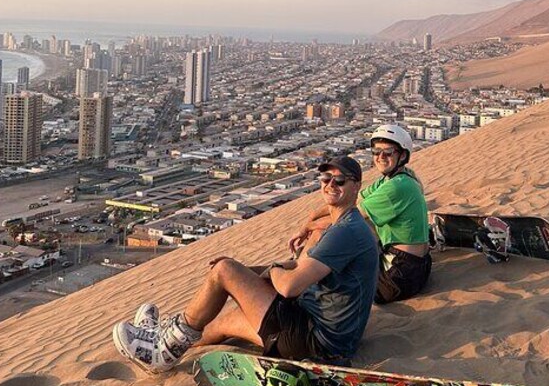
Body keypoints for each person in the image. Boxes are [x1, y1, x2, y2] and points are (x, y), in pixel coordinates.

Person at [112, 156, 379, 373]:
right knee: (222, 323)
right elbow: (297, 268)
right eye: (325, 178)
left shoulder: (346, 232)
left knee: (223, 271)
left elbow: (290, 286)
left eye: (340, 180)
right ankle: (166, 341)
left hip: (315, 341)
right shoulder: (342, 226)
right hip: (316, 328)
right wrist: (249, 271)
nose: (331, 184)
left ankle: (161, 350)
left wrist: (252, 269)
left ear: (356, 186)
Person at [289, 124, 431, 304]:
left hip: (398, 277)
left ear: (402, 155)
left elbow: (347, 220)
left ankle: (296, 279)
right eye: (376, 151)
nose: (380, 157)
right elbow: (350, 202)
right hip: (413, 266)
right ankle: (299, 272)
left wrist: (309, 229)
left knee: (327, 240)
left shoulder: (398, 187)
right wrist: (309, 220)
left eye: (388, 152)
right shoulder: (394, 179)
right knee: (335, 240)